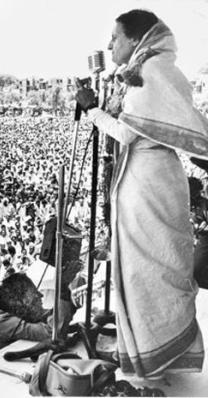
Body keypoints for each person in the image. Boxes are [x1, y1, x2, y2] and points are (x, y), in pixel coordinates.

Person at [75, 9, 208, 378]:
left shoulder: (152, 73)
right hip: (144, 178)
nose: (109, 45)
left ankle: (156, 353)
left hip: (149, 183)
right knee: (142, 270)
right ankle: (144, 354)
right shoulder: (144, 71)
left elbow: (127, 134)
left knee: (151, 270)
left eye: (115, 38)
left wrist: (92, 111)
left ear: (135, 40)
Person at [0, 265, 79, 362]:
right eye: (33, 293)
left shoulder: (21, 312)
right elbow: (53, 333)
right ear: (21, 301)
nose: (40, 295)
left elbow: (58, 314)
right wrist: (63, 289)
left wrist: (65, 296)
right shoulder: (4, 322)